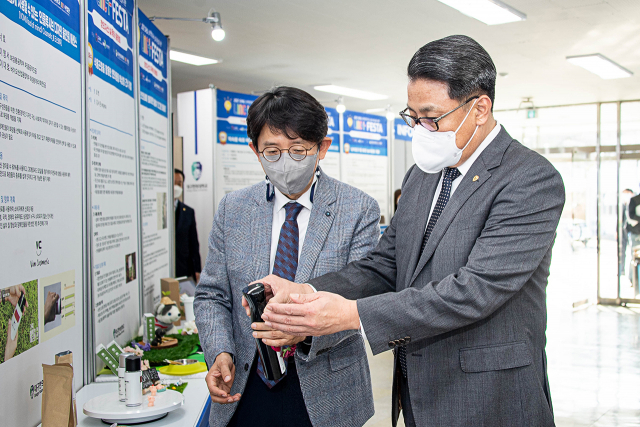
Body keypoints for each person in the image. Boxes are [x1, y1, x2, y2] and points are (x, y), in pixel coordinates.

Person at [257, 35, 565, 427]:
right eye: (413, 116)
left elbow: (475, 291)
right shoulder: (423, 175)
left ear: (480, 108)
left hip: (491, 399)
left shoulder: (530, 179)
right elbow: (385, 265)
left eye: (431, 117)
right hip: (421, 394)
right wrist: (309, 292)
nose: (420, 129)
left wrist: (352, 315)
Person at [194, 86, 380, 427]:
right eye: (272, 151)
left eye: (298, 150)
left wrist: (305, 330)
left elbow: (361, 296)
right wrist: (220, 351)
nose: (285, 162)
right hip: (246, 384)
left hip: (327, 388)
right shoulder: (234, 209)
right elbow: (212, 295)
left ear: (322, 148)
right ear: (255, 150)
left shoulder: (357, 209)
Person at [174, 169, 201, 284]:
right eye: (174, 182)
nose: (176, 186)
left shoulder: (188, 212)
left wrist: (197, 269)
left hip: (184, 268)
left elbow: (194, 243)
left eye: (179, 183)